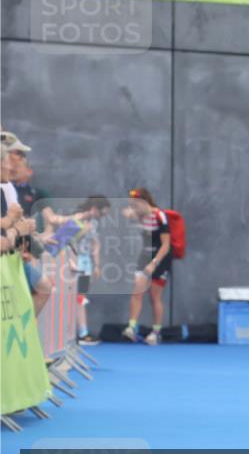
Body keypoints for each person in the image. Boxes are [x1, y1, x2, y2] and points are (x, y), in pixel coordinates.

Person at [0, 131, 53, 315]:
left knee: (43, 287)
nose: (20, 159)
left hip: (12, 252)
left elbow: (15, 223)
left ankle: (25, 332)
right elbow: (8, 225)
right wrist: (15, 228)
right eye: (18, 153)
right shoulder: (7, 187)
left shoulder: (8, 188)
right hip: (6, 251)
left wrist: (27, 242)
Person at [47, 196, 111, 344]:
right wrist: (82, 231)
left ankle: (82, 333)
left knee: (80, 297)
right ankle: (71, 334)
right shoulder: (78, 217)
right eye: (102, 213)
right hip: (72, 260)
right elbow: (64, 239)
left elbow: (95, 243)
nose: (102, 217)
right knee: (69, 297)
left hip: (85, 261)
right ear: (94, 209)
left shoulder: (94, 222)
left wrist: (97, 264)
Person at [122, 187, 171, 345]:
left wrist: (154, 263)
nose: (133, 208)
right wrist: (129, 213)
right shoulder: (139, 215)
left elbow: (166, 245)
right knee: (137, 291)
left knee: (155, 296)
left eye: (136, 204)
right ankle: (132, 327)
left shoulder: (160, 216)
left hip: (160, 258)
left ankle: (156, 332)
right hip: (144, 255)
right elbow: (129, 215)